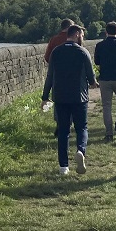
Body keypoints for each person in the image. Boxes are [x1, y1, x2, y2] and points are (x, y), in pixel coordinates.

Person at [41, 24, 97, 175]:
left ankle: (63, 167)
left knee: (63, 131)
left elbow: (50, 76)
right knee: (82, 128)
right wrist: (94, 83)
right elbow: (91, 78)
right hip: (79, 97)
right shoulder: (83, 52)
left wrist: (45, 97)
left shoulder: (56, 51)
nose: (83, 38)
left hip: (60, 97)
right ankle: (80, 150)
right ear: (77, 34)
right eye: (82, 35)